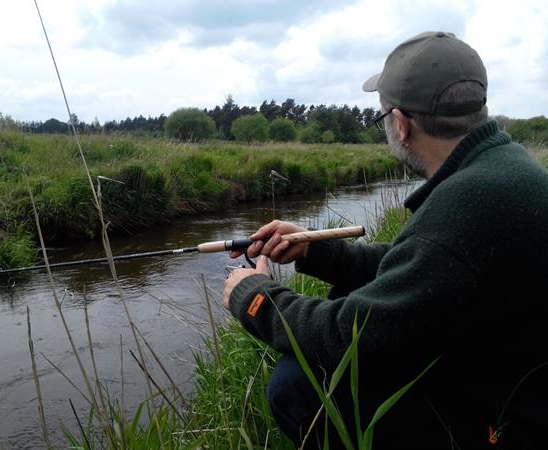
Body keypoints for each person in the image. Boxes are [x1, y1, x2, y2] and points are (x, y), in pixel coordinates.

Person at [222, 31, 548, 449]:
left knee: (300, 383)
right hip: (504, 375)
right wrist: (320, 252)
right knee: (346, 290)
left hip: (506, 422)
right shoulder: (501, 168)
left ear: (401, 124)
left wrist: (255, 298)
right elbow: (421, 265)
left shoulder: (471, 200)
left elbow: (352, 334)